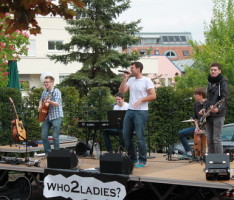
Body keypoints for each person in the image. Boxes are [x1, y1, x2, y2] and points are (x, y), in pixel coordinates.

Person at [119, 61, 156, 168]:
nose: (130, 70)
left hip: (141, 111)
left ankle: (142, 160)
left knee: (140, 137)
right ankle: (132, 159)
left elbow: (153, 95)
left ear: (138, 69)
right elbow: (122, 91)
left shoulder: (146, 80)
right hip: (130, 111)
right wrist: (125, 78)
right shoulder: (130, 80)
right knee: (126, 136)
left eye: (132, 68)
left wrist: (142, 99)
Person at [199, 63, 228, 154]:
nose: (213, 71)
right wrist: (204, 108)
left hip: (218, 115)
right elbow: (208, 99)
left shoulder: (223, 83)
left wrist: (218, 109)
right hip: (209, 114)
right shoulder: (210, 82)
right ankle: (211, 160)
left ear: (219, 71)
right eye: (211, 70)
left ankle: (219, 161)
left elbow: (224, 99)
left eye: (215, 70)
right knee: (209, 139)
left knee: (216, 139)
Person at [178, 88, 206, 160]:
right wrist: (196, 127)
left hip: (207, 127)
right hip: (199, 126)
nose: (194, 96)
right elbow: (195, 118)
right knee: (181, 133)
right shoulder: (196, 104)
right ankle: (189, 152)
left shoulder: (208, 103)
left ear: (201, 95)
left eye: (196, 94)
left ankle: (203, 154)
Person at [38, 76, 63, 155]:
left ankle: (56, 154)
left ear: (52, 82)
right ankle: (48, 154)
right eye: (44, 82)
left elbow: (57, 103)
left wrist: (49, 101)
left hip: (56, 116)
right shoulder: (44, 92)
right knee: (44, 136)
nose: (45, 83)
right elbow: (41, 100)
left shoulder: (57, 91)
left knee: (55, 137)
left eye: (47, 82)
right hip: (47, 116)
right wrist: (39, 106)